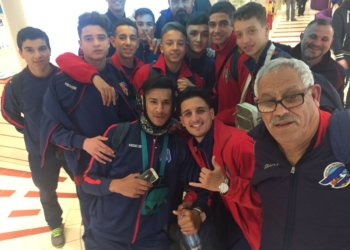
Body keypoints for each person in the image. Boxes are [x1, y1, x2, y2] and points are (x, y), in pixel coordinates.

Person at [82, 76, 209, 250]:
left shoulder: (178, 145)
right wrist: (116, 185)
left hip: (152, 239)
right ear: (142, 102)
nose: (159, 109)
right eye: (153, 102)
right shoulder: (118, 134)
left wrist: (193, 208)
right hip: (106, 237)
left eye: (166, 103)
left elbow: (199, 185)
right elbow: (87, 180)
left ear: (173, 107)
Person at [40, 12, 138, 236]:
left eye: (101, 37)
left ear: (109, 41)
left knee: (121, 220)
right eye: (89, 38)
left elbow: (132, 116)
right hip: (86, 168)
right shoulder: (60, 83)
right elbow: (50, 129)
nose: (96, 43)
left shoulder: (118, 77)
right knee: (94, 225)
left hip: (119, 165)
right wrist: (83, 142)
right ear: (80, 43)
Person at [249, 57, 350, 249]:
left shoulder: (346, 135)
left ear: (315, 95)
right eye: (269, 102)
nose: (279, 111)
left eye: (292, 97)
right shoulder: (258, 147)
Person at [1, 27, 73, 248]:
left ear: (50, 49)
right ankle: (55, 225)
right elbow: (7, 112)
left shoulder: (64, 78)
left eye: (42, 48)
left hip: (70, 147)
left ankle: (92, 221)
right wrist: (30, 130)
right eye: (29, 50)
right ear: (21, 53)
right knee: (47, 191)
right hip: (40, 152)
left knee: (84, 185)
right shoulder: (16, 85)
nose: (37, 55)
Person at [178, 87, 262, 250]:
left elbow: (267, 197)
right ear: (181, 120)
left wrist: (225, 185)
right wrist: (189, 203)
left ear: (212, 113)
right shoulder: (195, 146)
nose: (195, 118)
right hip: (228, 221)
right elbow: (206, 184)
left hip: (253, 230)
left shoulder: (239, 145)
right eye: (188, 114)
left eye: (200, 111)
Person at [275, 19, 347, 102]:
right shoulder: (281, 57)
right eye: (313, 37)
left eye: (324, 39)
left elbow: (336, 108)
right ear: (301, 37)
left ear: (331, 42)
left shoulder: (337, 73)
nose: (317, 43)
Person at [56, 18, 144, 86]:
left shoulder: (144, 68)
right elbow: (63, 59)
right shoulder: (103, 65)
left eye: (132, 38)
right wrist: (94, 76)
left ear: (138, 42)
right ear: (112, 41)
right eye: (122, 37)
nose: (128, 43)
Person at [133, 22, 203, 91]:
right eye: (169, 43)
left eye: (180, 43)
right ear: (161, 48)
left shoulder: (195, 81)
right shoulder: (144, 73)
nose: (175, 48)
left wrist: (193, 91)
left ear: (185, 49)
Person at [208, 1, 239, 121]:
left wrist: (217, 118)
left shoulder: (241, 56)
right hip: (223, 127)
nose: (216, 30)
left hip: (239, 133)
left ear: (234, 25)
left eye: (223, 24)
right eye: (212, 25)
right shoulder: (217, 52)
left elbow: (249, 107)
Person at [185, 12, 215, 91]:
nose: (199, 39)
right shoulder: (177, 57)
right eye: (194, 34)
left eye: (204, 35)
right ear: (185, 36)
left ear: (209, 37)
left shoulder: (212, 64)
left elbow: (212, 98)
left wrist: (194, 88)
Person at [332, 0, 350, 107]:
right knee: (340, 85)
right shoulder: (340, 12)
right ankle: (338, 109)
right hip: (344, 55)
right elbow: (336, 37)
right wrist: (340, 57)